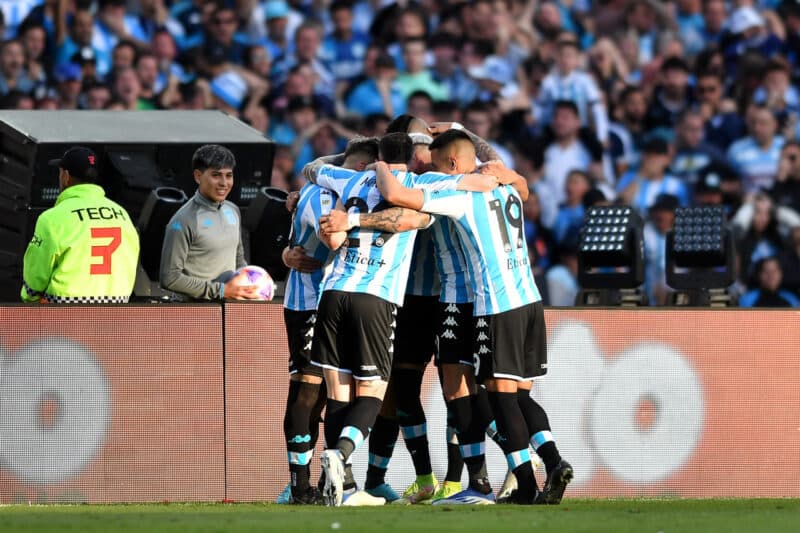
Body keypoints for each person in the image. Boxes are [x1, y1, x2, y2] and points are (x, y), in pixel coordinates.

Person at [376, 129, 573, 506]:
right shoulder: (503, 182)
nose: (425, 167)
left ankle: (503, 482)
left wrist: (379, 164)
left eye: (432, 162)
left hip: (479, 301)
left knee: (480, 394)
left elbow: (398, 194)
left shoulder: (456, 191)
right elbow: (523, 186)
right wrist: (497, 164)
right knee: (512, 394)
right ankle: (545, 462)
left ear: (449, 163)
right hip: (530, 298)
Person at [21, 146, 139, 303]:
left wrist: (30, 296)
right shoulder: (122, 215)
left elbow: (34, 282)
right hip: (114, 315)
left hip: (64, 317)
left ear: (65, 176)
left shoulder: (52, 219)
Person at [159, 144, 255, 301]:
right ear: (198, 176)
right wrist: (221, 290)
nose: (224, 183)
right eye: (216, 175)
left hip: (228, 312)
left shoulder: (233, 210)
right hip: (194, 315)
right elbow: (169, 278)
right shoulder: (183, 220)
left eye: (228, 175)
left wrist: (250, 282)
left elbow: (238, 259)